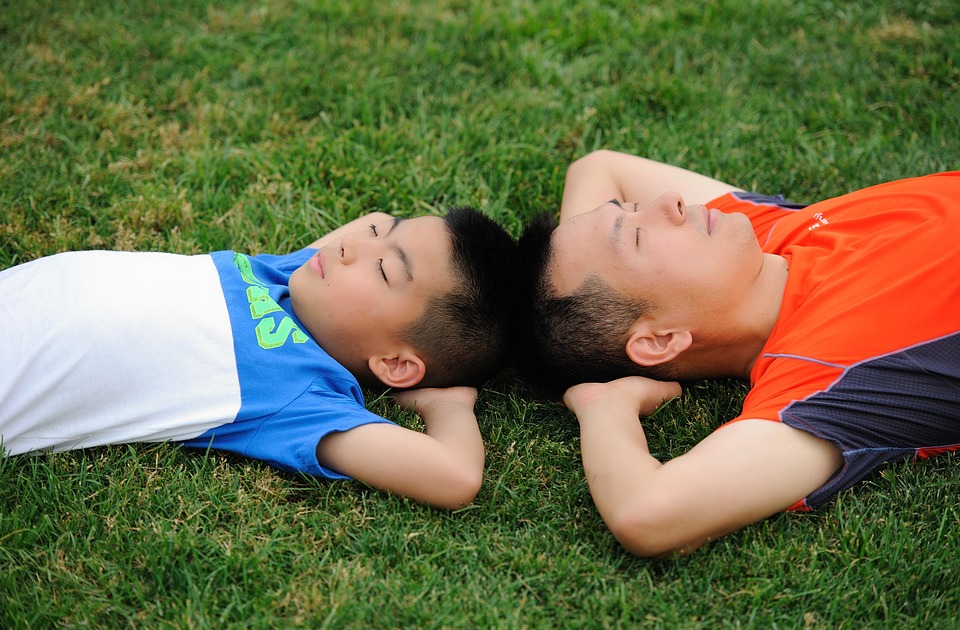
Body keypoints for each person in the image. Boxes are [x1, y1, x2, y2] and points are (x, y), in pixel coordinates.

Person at [516, 149, 960, 557]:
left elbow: (597, 166)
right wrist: (605, 406)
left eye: (632, 211)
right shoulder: (820, 377)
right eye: (636, 238)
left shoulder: (768, 233)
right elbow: (646, 514)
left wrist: (586, 323)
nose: (668, 202)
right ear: (658, 340)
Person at [0, 206, 519, 510]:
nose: (350, 247)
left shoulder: (299, 395)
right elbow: (375, 218)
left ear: (397, 363)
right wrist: (387, 239)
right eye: (376, 237)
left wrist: (447, 406)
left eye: (384, 269)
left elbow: (455, 477)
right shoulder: (286, 279)